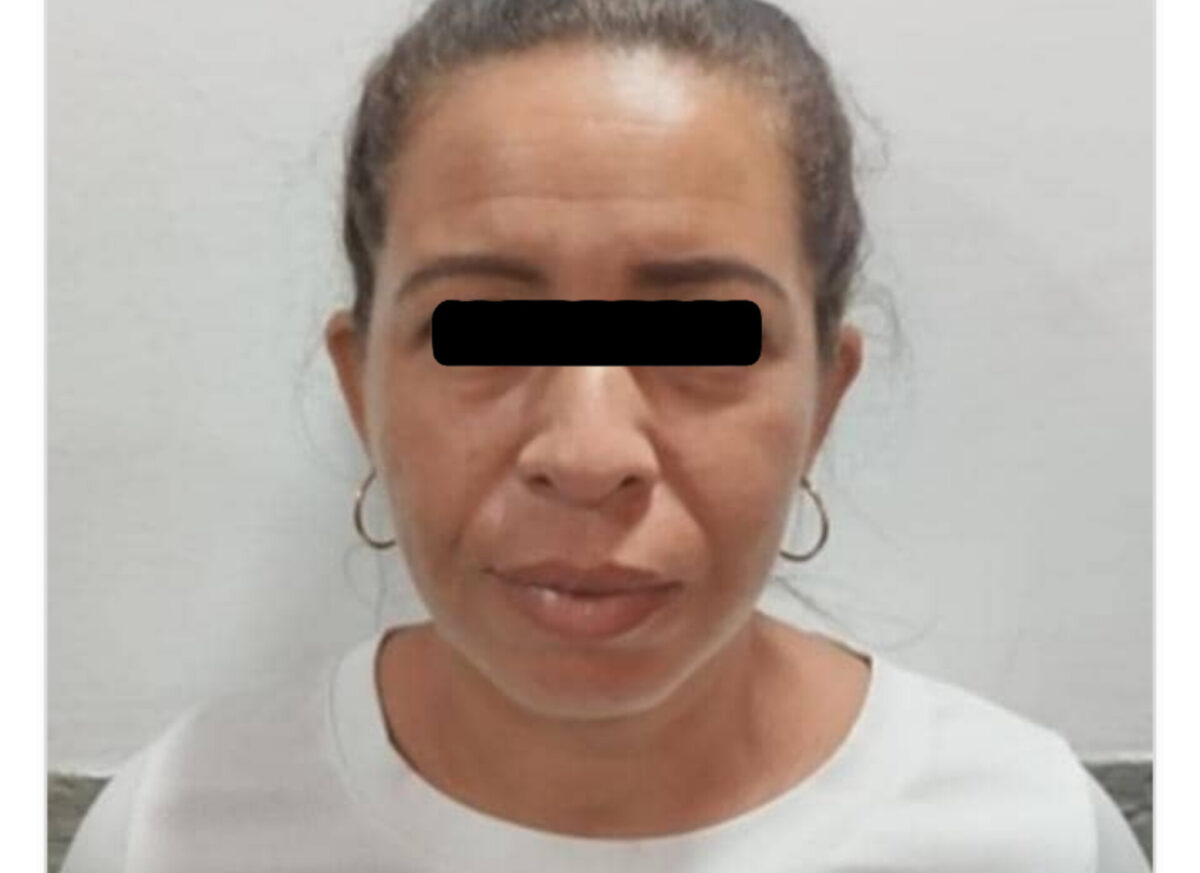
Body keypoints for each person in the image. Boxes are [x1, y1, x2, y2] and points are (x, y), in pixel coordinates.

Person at [60, 0, 1151, 870]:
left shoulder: (1032, 838)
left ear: (825, 398)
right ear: (362, 389)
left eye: (700, 335)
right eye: (481, 329)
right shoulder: (176, 836)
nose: (587, 456)